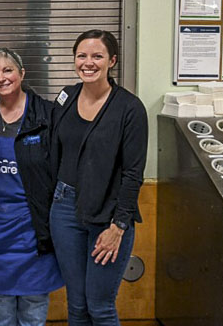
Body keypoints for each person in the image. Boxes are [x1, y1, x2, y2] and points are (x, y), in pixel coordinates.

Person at [49, 30, 148, 325]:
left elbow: (133, 173)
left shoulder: (129, 108)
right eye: (82, 56)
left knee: (100, 306)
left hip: (108, 215)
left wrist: (118, 226)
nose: (88, 62)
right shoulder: (65, 97)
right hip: (64, 209)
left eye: (97, 56)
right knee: (77, 305)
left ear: (112, 61)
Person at [0, 48, 63, 326]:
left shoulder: (48, 116)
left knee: (34, 306)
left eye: (7, 70)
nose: (1, 78)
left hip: (34, 230)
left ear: (22, 74)